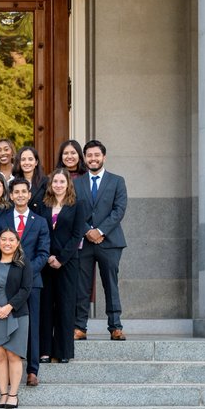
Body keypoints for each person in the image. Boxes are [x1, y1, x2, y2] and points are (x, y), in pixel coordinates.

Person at [0, 179, 51, 387]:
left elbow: (43, 253)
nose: (20, 195)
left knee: (31, 326)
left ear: (29, 193)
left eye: (24, 192)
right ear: (11, 195)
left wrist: (24, 272)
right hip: (2, 281)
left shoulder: (40, 221)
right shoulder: (1, 219)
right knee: (3, 323)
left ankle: (32, 369)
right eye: (16, 192)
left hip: (31, 282)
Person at [74, 140, 128, 340]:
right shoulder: (76, 183)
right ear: (85, 158)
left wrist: (100, 231)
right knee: (82, 285)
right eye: (89, 155)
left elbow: (119, 209)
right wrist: (88, 231)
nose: (93, 159)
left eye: (97, 155)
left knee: (110, 284)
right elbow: (73, 210)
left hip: (110, 241)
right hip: (84, 241)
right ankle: (79, 327)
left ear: (103, 157)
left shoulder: (117, 181)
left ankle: (115, 326)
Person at [40, 169, 85, 365]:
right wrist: (48, 256)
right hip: (46, 262)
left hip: (67, 262)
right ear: (50, 184)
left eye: (61, 181)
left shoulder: (77, 205)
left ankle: (64, 350)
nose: (58, 185)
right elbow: (41, 232)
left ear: (68, 184)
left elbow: (77, 235)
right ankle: (45, 351)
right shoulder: (43, 205)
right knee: (46, 306)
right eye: (55, 181)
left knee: (65, 306)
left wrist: (61, 258)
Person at [0, 228, 31, 409]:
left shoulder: (23, 263)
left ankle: (13, 394)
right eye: (3, 239)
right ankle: (3, 394)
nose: (7, 243)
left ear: (17, 243)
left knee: (13, 354)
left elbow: (26, 289)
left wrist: (9, 307)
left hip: (17, 313)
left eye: (11, 240)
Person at [13, 146, 47, 211]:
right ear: (19, 162)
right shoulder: (13, 183)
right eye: (23, 159)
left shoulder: (46, 182)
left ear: (36, 162)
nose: (26, 163)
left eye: (30, 159)